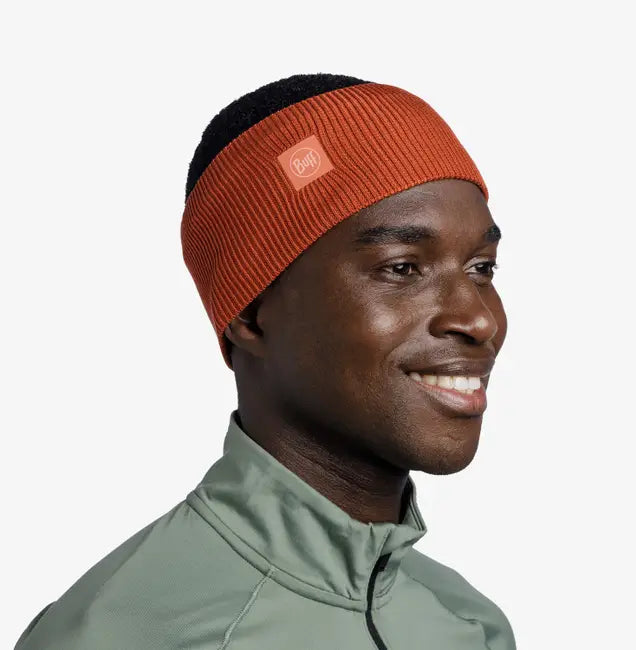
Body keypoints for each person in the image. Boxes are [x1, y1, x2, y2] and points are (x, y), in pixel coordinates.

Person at [15, 73, 517, 649]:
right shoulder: (119, 636)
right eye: (402, 268)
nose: (479, 320)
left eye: (482, 268)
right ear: (251, 314)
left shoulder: (468, 625)